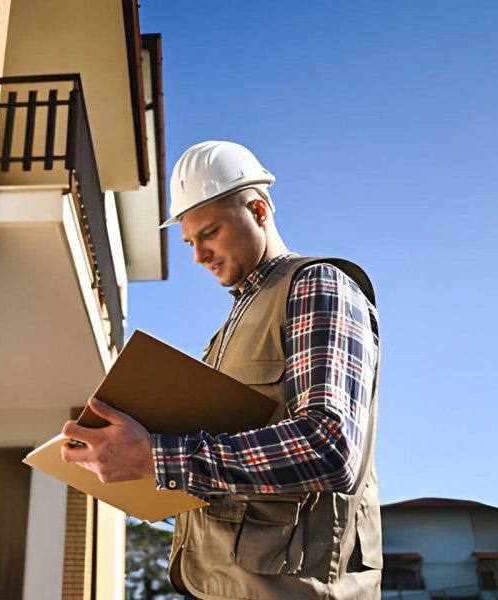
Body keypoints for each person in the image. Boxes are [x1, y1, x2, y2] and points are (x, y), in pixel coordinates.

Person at [61, 140, 382, 599]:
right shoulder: (228, 330)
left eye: (209, 233)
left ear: (257, 209)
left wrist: (158, 456)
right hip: (219, 585)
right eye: (190, 241)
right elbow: (224, 467)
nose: (197, 255)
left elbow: (328, 446)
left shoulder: (316, 284)